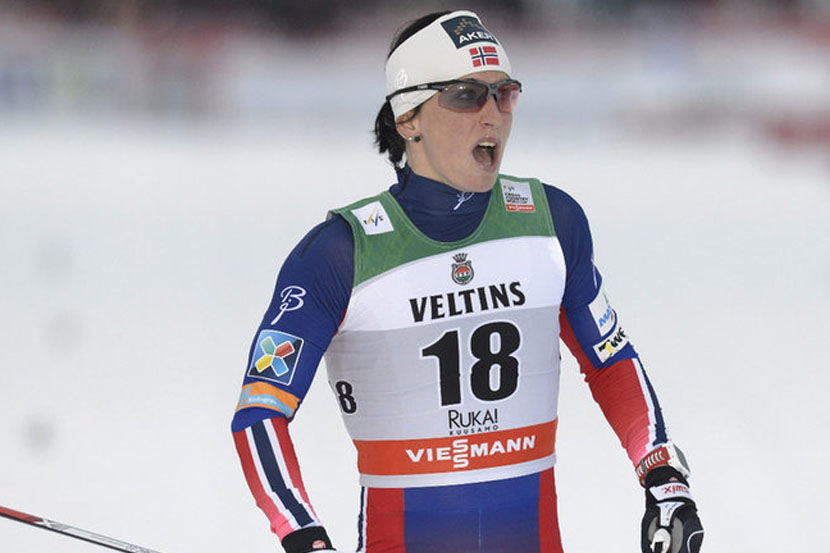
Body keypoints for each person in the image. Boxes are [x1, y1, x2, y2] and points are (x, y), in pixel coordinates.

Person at [231, 9, 703, 553]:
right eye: (466, 96)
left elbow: (611, 360)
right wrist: (303, 534)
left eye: (504, 94)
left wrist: (663, 476)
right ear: (407, 118)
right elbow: (260, 412)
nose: (492, 116)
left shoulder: (552, 222)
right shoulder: (340, 252)